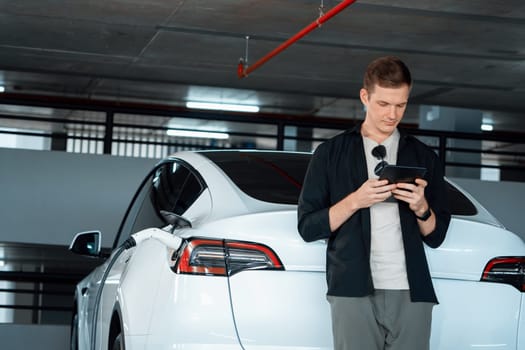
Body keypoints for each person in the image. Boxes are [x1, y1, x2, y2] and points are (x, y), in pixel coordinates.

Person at [297, 56, 451, 350]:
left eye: (401, 105)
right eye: (384, 104)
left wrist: (422, 209)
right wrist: (355, 200)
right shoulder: (330, 154)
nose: (392, 114)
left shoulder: (424, 157)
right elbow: (307, 227)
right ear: (365, 97)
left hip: (412, 292)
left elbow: (437, 236)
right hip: (352, 290)